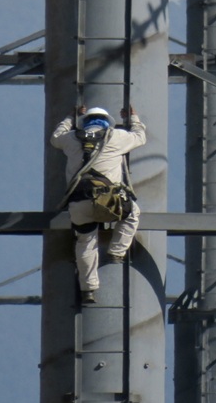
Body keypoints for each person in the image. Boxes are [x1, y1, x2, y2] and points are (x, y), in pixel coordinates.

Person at [50, 105, 146, 303]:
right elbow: (140, 137)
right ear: (106, 122)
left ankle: (88, 289)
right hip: (109, 201)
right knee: (132, 213)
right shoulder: (116, 136)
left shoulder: (71, 138)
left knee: (85, 242)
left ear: (85, 122)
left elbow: (55, 137)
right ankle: (116, 252)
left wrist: (70, 117)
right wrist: (133, 118)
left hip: (79, 201)